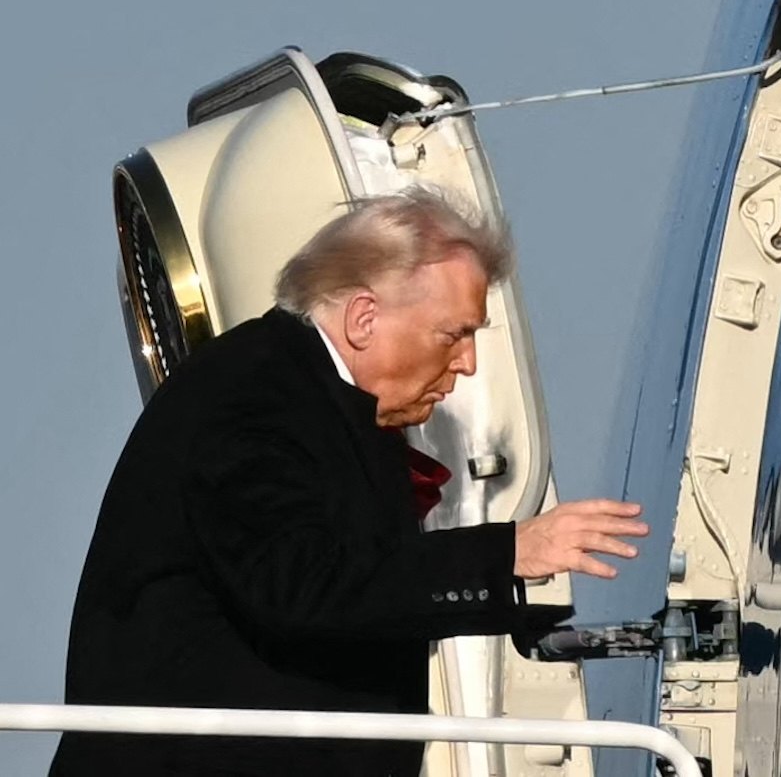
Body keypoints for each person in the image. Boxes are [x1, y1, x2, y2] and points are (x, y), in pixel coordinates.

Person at [50, 188, 648, 777]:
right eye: (453, 334)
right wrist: (508, 551)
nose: (466, 362)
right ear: (364, 318)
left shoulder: (323, 402)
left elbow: (363, 594)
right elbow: (301, 586)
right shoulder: (251, 396)